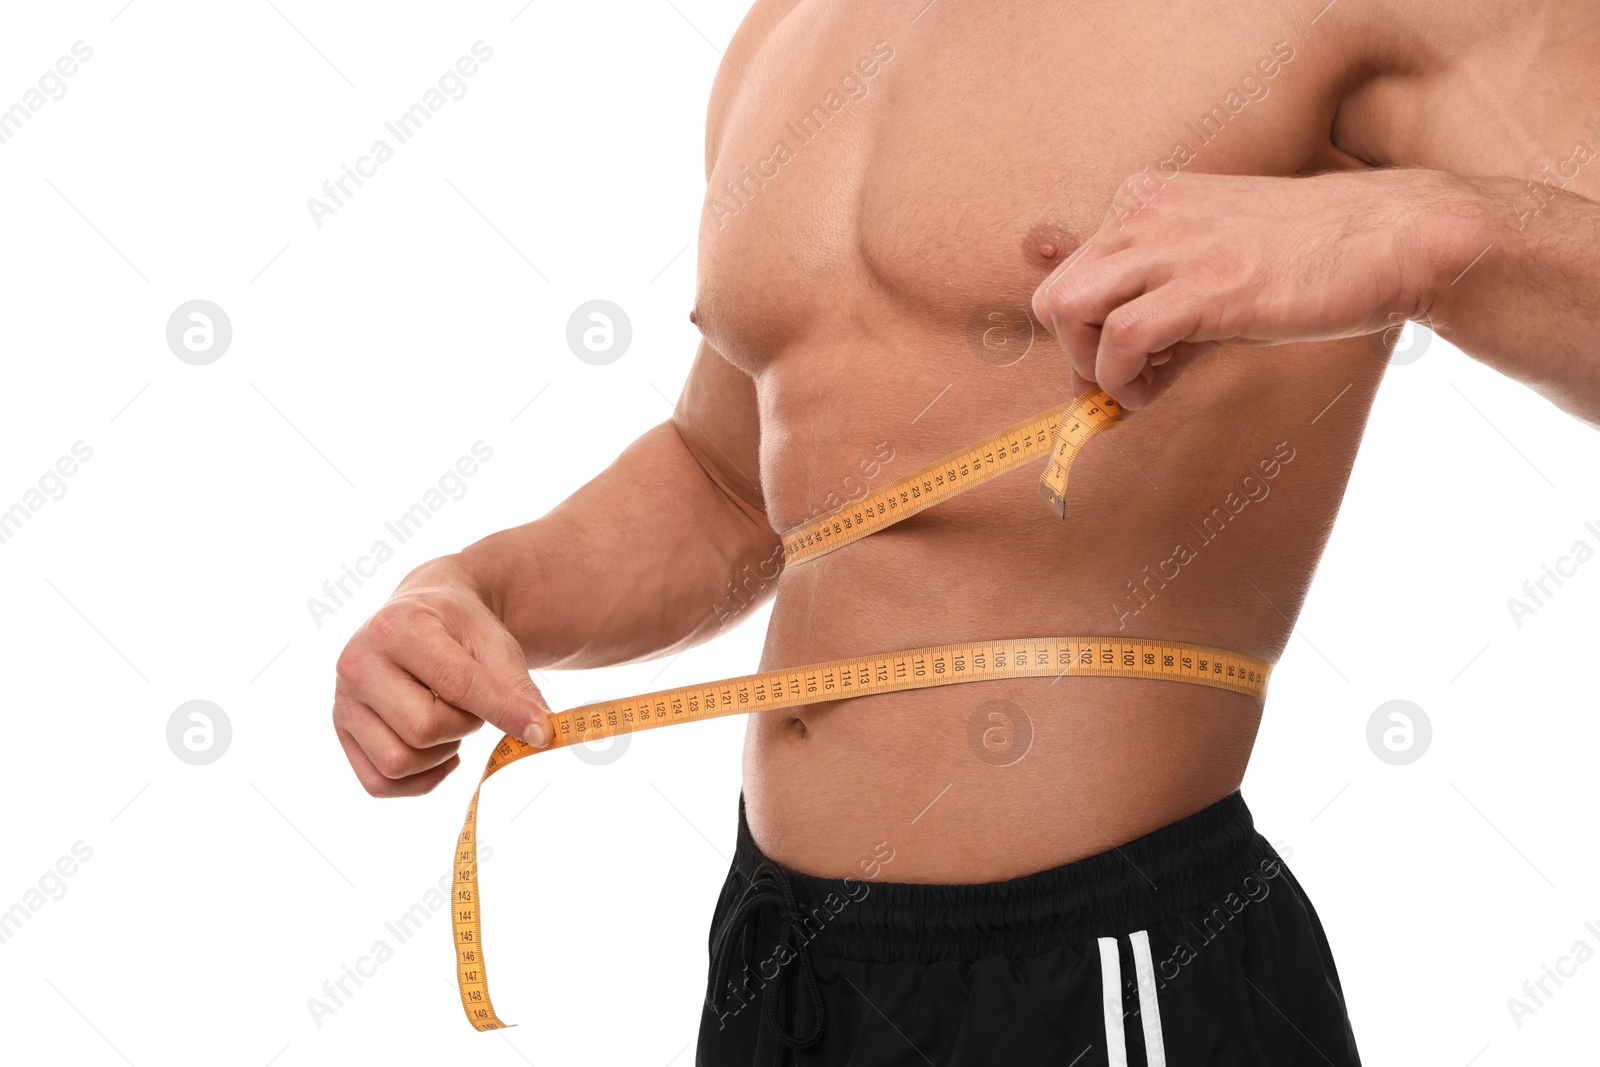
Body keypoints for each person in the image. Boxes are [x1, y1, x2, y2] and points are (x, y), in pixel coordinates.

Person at [330, 2, 1600, 1061]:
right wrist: (473, 592)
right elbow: (729, 481)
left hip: (1108, 969)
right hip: (774, 959)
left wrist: (1437, 235)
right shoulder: (791, 26)